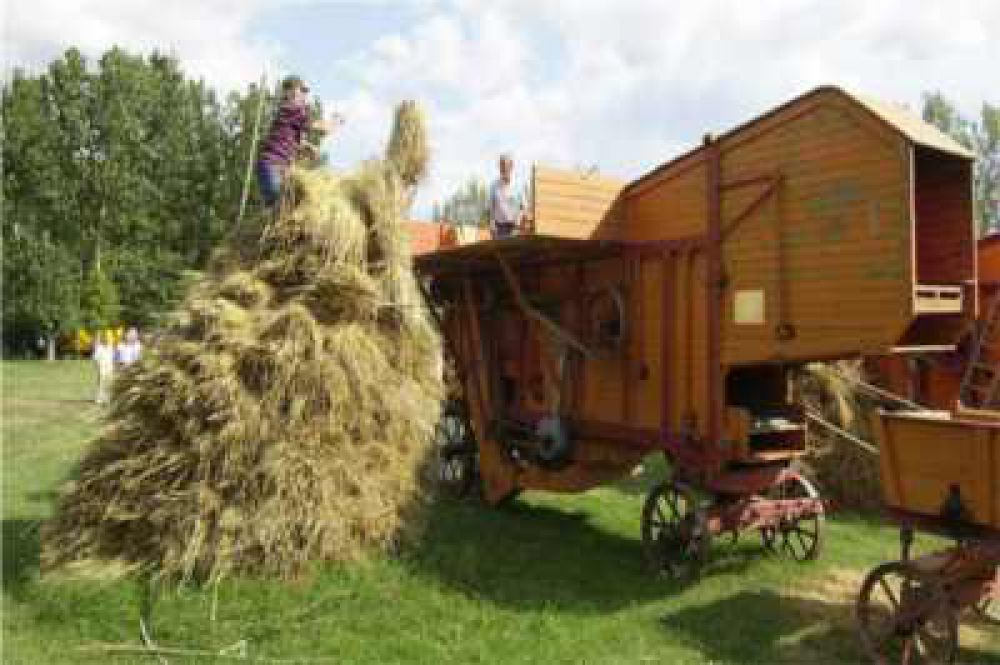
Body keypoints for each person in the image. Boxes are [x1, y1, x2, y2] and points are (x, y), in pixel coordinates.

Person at [256, 75, 339, 208]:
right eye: (302, 90)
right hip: (273, 166)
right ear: (289, 92)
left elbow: (295, 141)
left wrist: (309, 147)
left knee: (285, 207)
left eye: (305, 92)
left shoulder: (291, 113)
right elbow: (321, 128)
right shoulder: (292, 109)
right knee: (280, 206)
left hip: (280, 168)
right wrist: (334, 122)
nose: (304, 95)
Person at [488, 153, 527, 239]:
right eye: (501, 166)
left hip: (514, 227)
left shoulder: (518, 184)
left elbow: (523, 207)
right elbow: (491, 207)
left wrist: (517, 224)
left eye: (505, 166)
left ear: (511, 166)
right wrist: (491, 223)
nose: (504, 169)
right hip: (499, 229)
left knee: (513, 251)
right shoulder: (494, 185)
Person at [92, 331, 115, 405]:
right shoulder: (99, 348)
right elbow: (96, 359)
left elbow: (113, 358)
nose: (107, 340)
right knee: (101, 383)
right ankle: (99, 398)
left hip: (109, 367)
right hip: (102, 367)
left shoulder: (111, 347)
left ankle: (108, 398)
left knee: (109, 383)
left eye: (108, 338)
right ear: (103, 339)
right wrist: (98, 367)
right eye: (106, 338)